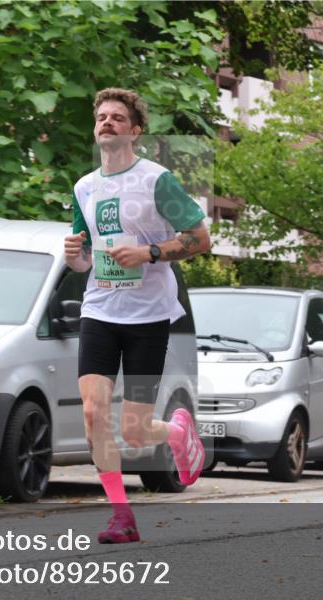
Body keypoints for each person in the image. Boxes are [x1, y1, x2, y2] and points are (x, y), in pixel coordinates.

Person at [63, 88, 210, 543]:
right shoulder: (84, 187)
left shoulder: (156, 180)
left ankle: (179, 431)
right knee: (93, 412)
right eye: (101, 117)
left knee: (137, 429)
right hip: (101, 312)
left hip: (148, 319)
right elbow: (85, 258)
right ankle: (120, 516)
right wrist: (74, 257)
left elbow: (199, 238)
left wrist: (148, 252)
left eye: (117, 118)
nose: (107, 122)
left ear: (135, 131)